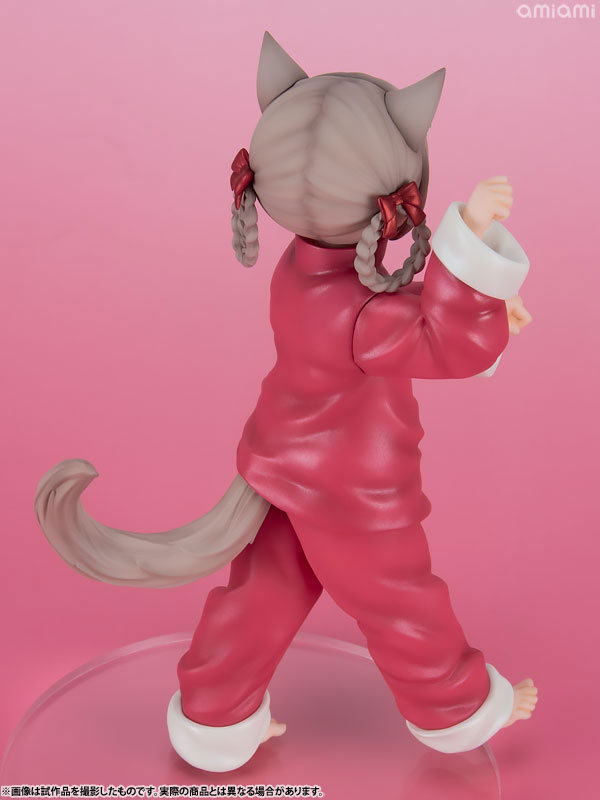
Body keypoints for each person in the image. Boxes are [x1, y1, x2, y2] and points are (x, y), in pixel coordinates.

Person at [34, 32, 538, 773]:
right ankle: (457, 705)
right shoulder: (362, 317)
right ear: (392, 201)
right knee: (399, 595)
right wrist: (472, 238)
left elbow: (387, 317)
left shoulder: (301, 270)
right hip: (351, 489)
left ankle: (216, 709)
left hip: (284, 459)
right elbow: (449, 348)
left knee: (267, 591)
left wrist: (475, 305)